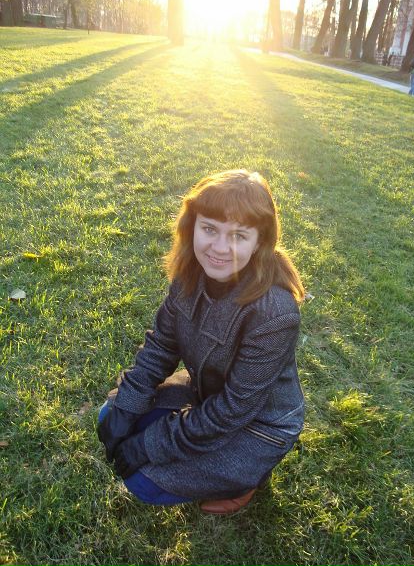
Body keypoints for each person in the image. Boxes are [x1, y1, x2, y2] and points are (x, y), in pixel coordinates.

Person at [97, 169, 306, 515]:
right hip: (206, 394)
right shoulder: (190, 274)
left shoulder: (275, 313)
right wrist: (127, 408)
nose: (219, 248)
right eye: (209, 229)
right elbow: (161, 346)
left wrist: (150, 444)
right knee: (111, 413)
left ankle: (246, 482)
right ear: (192, 226)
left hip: (258, 426)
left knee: (143, 482)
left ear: (259, 242)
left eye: (238, 235)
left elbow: (233, 411)